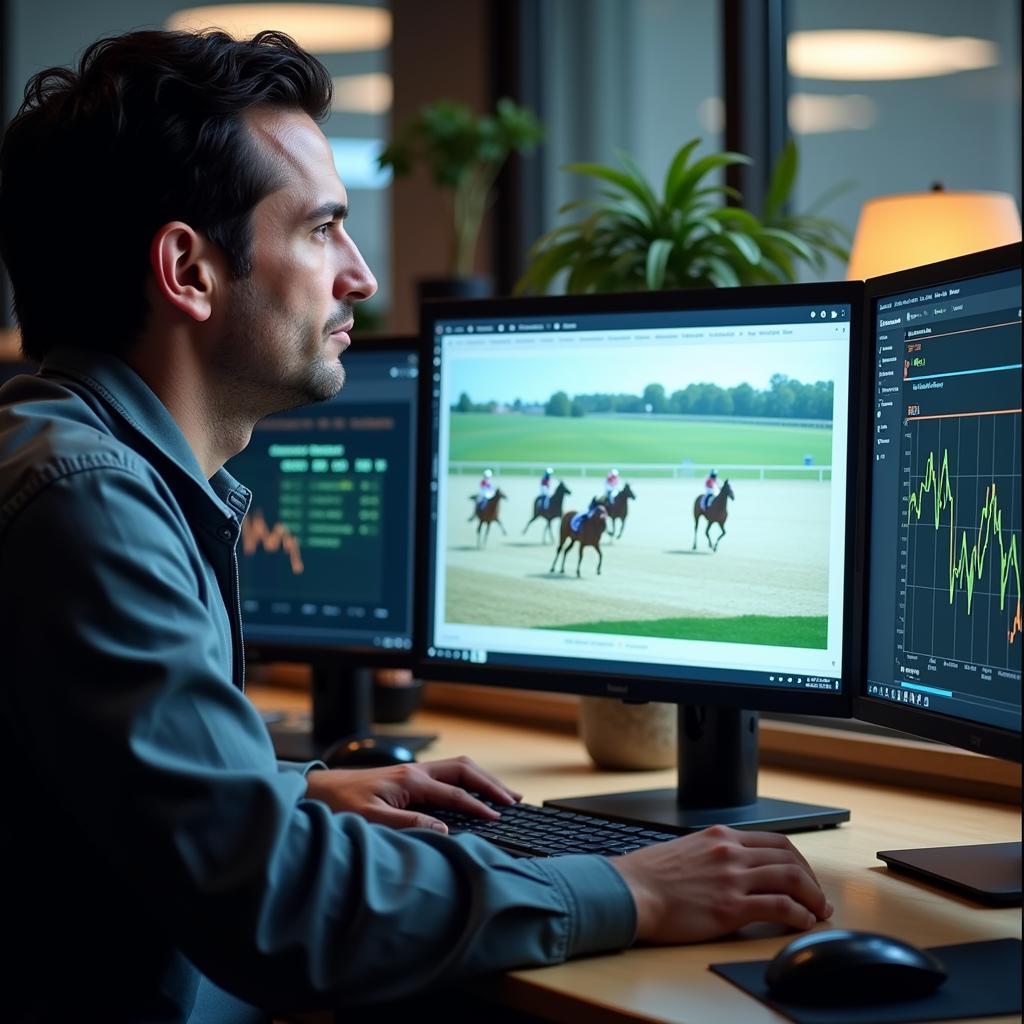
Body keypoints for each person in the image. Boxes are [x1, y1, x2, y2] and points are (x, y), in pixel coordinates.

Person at [0, 29, 831, 1023]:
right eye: (320, 229)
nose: (359, 273)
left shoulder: (69, 457)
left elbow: (86, 799)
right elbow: (276, 903)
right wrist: (633, 889)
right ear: (188, 268)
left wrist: (293, 790)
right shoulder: (87, 500)